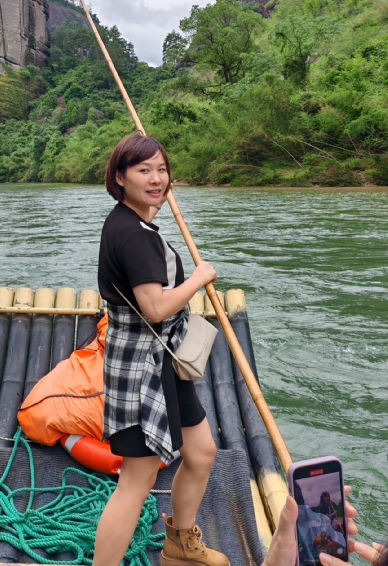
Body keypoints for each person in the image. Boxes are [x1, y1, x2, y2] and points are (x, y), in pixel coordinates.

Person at [94, 133, 228, 566]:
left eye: (161, 169)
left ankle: (179, 545)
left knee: (202, 451)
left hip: (164, 361)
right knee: (137, 477)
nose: (156, 179)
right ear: (120, 176)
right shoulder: (133, 234)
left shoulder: (136, 223)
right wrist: (199, 278)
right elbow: (154, 308)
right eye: (143, 170)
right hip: (140, 366)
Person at [261, 489, 388, 566]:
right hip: (320, 533)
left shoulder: (332, 505)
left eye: (328, 498)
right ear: (322, 499)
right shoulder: (319, 508)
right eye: (325, 498)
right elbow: (320, 516)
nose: (327, 500)